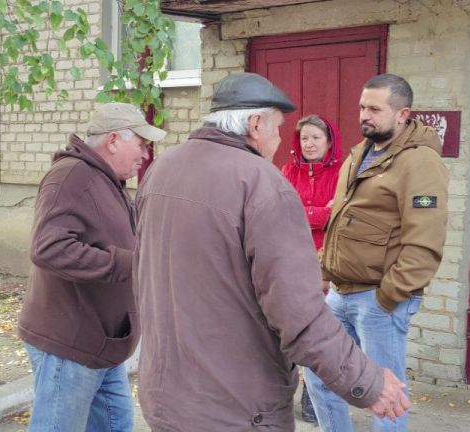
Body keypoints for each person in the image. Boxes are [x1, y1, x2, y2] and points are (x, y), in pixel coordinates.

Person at [134, 72, 409, 430]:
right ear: (255, 124)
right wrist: (369, 382)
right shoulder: (261, 182)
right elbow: (298, 314)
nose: (280, 140)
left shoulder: (162, 168)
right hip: (236, 407)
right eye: (278, 129)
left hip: (165, 398)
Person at [312, 73, 449, 431]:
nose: (364, 115)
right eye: (362, 107)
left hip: (378, 300)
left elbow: (425, 239)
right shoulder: (361, 153)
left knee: (385, 395)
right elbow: (340, 218)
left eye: (375, 108)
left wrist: (389, 297)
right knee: (320, 376)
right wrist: (324, 273)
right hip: (339, 294)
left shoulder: (420, 161)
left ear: (403, 114)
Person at [18, 102, 166, 431]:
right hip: (69, 345)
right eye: (140, 144)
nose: (144, 155)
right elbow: (49, 248)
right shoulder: (72, 176)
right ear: (113, 140)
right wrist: (129, 262)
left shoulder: (106, 180)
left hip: (104, 343)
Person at [280, 114, 345, 423]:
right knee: (289, 329)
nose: (309, 143)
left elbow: (340, 216)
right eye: (304, 137)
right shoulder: (287, 171)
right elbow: (281, 214)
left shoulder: (342, 174)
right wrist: (320, 213)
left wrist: (304, 213)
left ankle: (314, 397)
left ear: (329, 141)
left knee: (319, 333)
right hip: (292, 261)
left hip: (326, 264)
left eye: (316, 137)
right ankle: (282, 392)